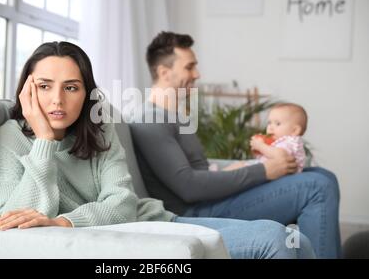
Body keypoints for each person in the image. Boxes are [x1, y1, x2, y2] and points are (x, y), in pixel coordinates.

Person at [0, 41, 314, 259]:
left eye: (71, 87)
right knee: (274, 241)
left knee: (296, 239)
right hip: (131, 240)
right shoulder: (10, 136)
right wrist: (45, 142)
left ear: (86, 93)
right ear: (27, 91)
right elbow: (10, 218)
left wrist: (63, 222)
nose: (57, 100)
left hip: (155, 221)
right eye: (45, 86)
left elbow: (122, 205)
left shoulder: (101, 130)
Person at [127, 31, 341, 258]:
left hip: (213, 199)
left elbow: (199, 169)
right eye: (189, 67)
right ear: (164, 72)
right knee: (316, 187)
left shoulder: (174, 115)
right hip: (196, 211)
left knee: (323, 175)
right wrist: (264, 170)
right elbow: (189, 187)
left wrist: (238, 167)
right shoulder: (149, 119)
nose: (197, 74)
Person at [223, 103, 307, 173]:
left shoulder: (290, 142)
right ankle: (219, 176)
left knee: (240, 167)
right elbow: (269, 156)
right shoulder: (278, 141)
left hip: (278, 176)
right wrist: (258, 151)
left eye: (277, 123)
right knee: (239, 165)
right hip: (270, 171)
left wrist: (261, 146)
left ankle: (218, 177)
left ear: (295, 130)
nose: (270, 127)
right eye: (269, 123)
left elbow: (281, 156)